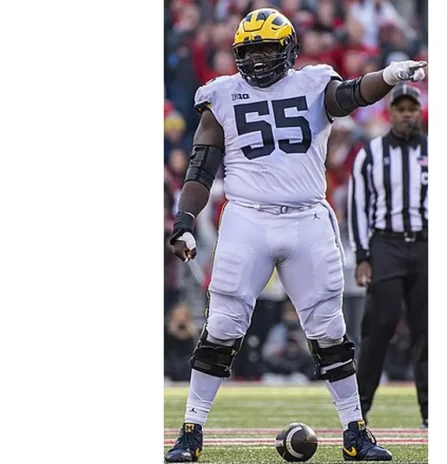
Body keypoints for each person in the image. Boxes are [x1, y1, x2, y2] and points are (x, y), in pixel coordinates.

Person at [165, 8, 426, 462]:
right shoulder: (221, 94)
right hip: (247, 217)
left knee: (330, 328)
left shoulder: (313, 82)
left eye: (268, 49)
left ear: (288, 49)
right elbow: (201, 168)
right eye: (251, 51)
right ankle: (191, 432)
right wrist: (184, 221)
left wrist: (386, 76)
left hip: (306, 218)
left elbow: (350, 94)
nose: (259, 59)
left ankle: (355, 432)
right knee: (222, 325)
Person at [347, 83, 429, 428]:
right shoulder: (371, 153)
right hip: (386, 244)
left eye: (412, 109)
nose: (407, 115)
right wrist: (362, 255)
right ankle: (359, 409)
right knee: (379, 326)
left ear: (420, 111)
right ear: (390, 112)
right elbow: (358, 205)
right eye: (401, 109)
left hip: (426, 243)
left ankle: (431, 410)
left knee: (428, 329)